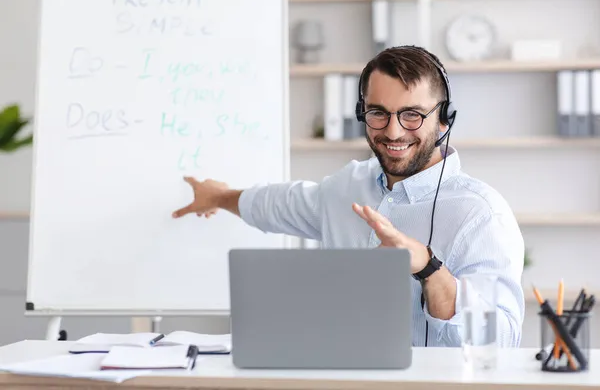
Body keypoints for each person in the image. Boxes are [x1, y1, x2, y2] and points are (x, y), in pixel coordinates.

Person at [172, 45, 525, 348]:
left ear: (445, 120)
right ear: (362, 114)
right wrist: (219, 196)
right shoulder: (347, 185)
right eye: (378, 113)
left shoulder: (481, 214)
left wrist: (429, 268)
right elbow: (280, 205)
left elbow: (503, 339)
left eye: (412, 115)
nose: (393, 130)